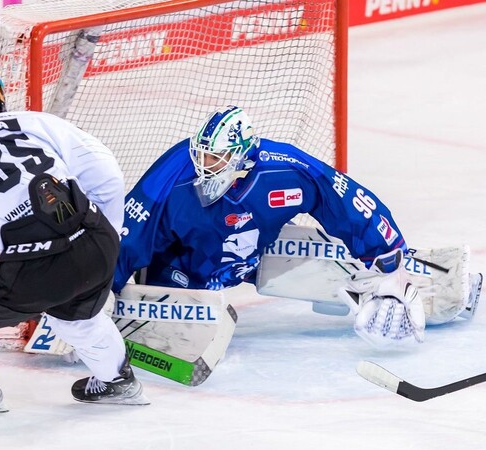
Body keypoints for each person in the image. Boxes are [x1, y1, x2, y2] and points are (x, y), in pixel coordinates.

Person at [113, 105, 481, 348]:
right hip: (180, 265)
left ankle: (422, 282)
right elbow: (131, 230)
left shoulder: (285, 168)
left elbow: (347, 199)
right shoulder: (174, 173)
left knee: (335, 257)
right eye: (201, 154)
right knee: (184, 337)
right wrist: (99, 295)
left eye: (216, 157)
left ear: (243, 153)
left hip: (253, 254)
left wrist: (390, 260)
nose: (204, 165)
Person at [0, 65, 149, 412]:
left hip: (38, 266)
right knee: (77, 317)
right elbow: (105, 171)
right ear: (2, 101)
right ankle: (118, 381)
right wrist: (103, 232)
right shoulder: (37, 122)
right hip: (97, 241)